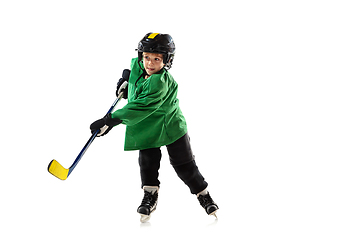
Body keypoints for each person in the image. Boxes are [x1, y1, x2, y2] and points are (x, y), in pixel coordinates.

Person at [90, 33, 218, 222]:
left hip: (169, 126)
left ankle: (203, 193)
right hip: (146, 125)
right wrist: (126, 82)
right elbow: (133, 72)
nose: (150, 63)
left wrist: (111, 120)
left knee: (184, 166)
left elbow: (140, 106)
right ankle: (150, 196)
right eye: (146, 57)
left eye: (156, 59)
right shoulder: (140, 65)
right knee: (147, 163)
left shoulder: (160, 83)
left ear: (167, 61)